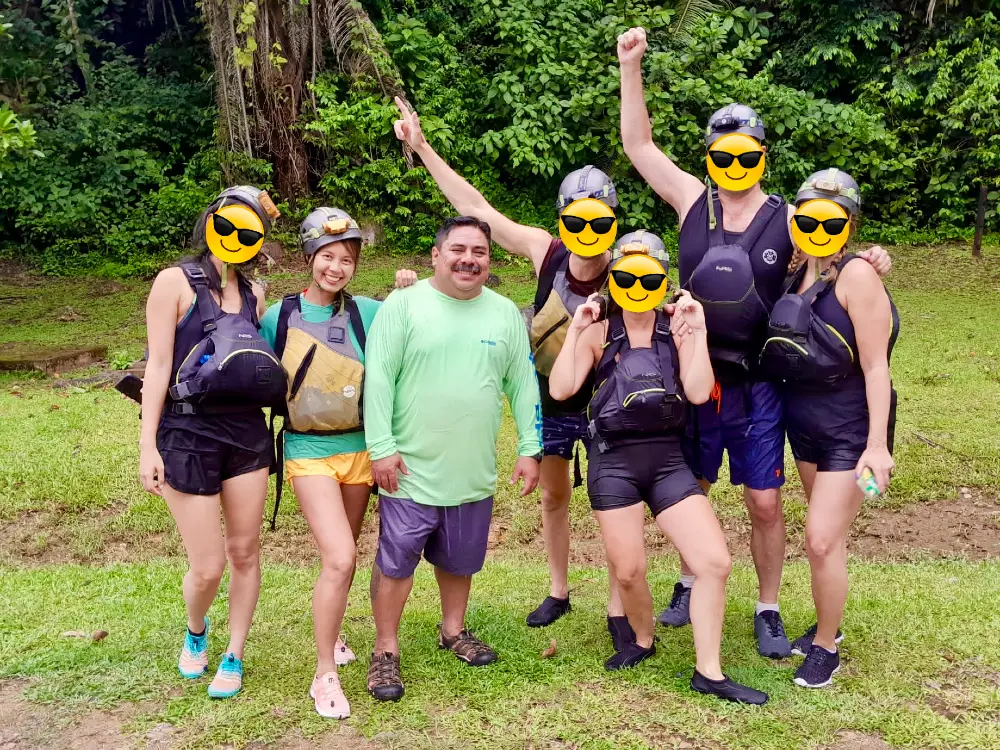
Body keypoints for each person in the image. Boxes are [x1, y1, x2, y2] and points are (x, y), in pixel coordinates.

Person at [616, 26, 893, 658]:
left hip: (761, 382)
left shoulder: (787, 220)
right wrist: (631, 67)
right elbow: (638, 143)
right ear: (710, 156)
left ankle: (768, 604)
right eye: (723, 155)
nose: (734, 166)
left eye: (747, 156)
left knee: (765, 503)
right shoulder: (691, 200)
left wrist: (874, 256)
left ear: (762, 156)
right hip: (691, 371)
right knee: (690, 486)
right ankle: (690, 580)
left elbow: (836, 252)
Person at [392, 97, 632, 645]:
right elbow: (478, 208)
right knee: (554, 496)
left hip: (606, 402)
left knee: (614, 501)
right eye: (576, 218)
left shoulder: (627, 268)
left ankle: (620, 606)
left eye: (596, 218)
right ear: (563, 219)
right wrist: (423, 148)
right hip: (550, 397)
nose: (585, 228)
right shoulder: (545, 251)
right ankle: (558, 588)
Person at [546, 235, 768, 704]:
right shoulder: (598, 329)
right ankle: (644, 638)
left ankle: (709, 671)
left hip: (667, 460)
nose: (637, 285)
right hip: (613, 461)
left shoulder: (678, 330)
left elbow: (697, 390)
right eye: (626, 276)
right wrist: (576, 330)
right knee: (628, 571)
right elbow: (564, 388)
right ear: (614, 279)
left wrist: (698, 331)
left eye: (648, 277)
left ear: (664, 281)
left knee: (714, 562)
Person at [362, 216, 543, 703]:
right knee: (396, 563)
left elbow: (522, 383)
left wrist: (531, 446)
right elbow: (378, 378)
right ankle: (385, 651)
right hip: (408, 470)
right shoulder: (402, 306)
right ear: (436, 255)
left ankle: (453, 630)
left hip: (472, 469)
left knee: (460, 559)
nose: (469, 259)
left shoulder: (505, 313)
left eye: (480, 251)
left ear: (489, 260)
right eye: (459, 249)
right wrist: (381, 446)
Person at [139, 186, 286, 699]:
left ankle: (235, 653)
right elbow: (157, 366)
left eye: (250, 234)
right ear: (212, 221)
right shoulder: (173, 282)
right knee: (208, 565)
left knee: (245, 551)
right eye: (230, 227)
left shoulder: (254, 295)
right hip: (186, 431)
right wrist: (147, 446)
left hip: (246, 432)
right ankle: (197, 632)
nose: (236, 239)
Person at [759, 170, 899, 688]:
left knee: (819, 539)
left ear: (849, 224)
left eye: (831, 219)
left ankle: (825, 649)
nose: (818, 226)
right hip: (805, 427)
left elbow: (876, 366)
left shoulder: (858, 277)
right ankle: (828, 625)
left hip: (852, 431)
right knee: (829, 537)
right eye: (809, 217)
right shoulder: (799, 272)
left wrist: (878, 446)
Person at [258, 207, 381, 718]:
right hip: (308, 451)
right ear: (310, 256)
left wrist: (407, 287)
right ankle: (322, 672)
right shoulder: (279, 317)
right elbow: (253, 373)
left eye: (346, 259)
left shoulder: (367, 314)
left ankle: (336, 633)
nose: (337, 267)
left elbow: (419, 317)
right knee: (340, 558)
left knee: (346, 552)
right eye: (328, 256)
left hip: (359, 450)